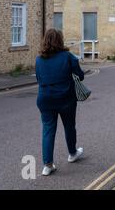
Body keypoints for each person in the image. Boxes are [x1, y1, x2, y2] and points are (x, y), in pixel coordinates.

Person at [35, 28, 85, 176]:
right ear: (60, 40)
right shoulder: (68, 56)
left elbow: (39, 79)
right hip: (66, 99)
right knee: (69, 126)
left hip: (45, 100)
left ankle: (47, 165)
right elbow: (80, 76)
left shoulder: (39, 59)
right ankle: (72, 153)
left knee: (48, 131)